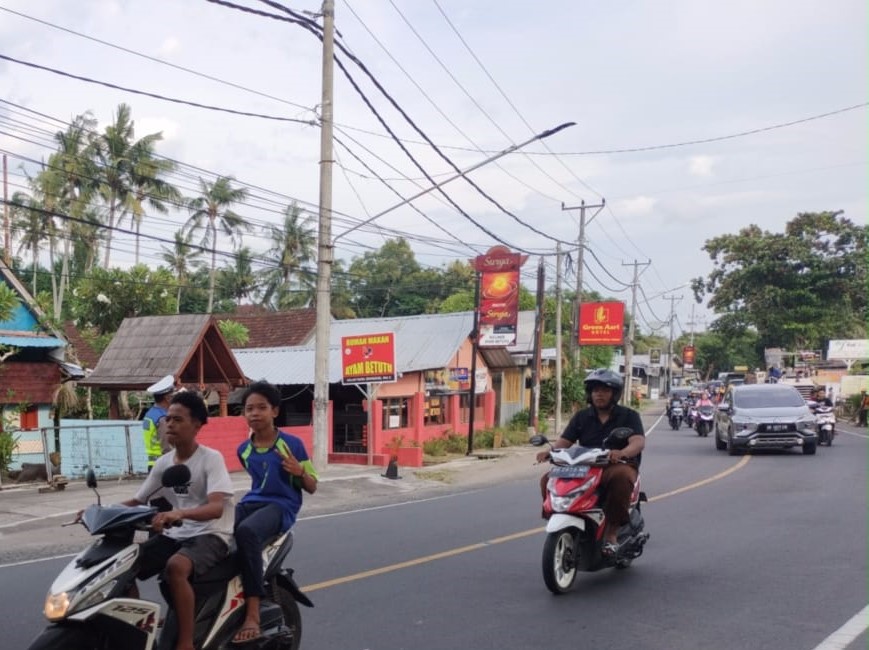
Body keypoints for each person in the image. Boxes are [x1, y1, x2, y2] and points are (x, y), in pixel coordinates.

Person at [122, 391, 234, 650]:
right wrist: (98, 511)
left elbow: (216, 507)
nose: (170, 424)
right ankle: (136, 631)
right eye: (168, 419)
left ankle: (185, 642)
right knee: (124, 567)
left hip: (212, 533)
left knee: (176, 567)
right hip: (179, 534)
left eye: (178, 420)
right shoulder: (164, 463)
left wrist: (179, 513)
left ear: (197, 425)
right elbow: (138, 500)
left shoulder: (211, 459)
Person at [232, 381, 318, 644]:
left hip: (282, 506)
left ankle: (253, 613)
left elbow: (312, 487)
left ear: (274, 412)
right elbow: (257, 482)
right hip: (253, 501)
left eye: (261, 408)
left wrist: (299, 472)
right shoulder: (243, 450)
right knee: (216, 528)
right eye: (249, 409)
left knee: (246, 532)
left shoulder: (291, 444)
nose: (255, 414)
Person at [537, 368, 645, 558]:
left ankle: (611, 532)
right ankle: (559, 517)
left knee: (621, 478)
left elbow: (638, 441)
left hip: (615, 465)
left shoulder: (629, 416)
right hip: (585, 465)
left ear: (615, 394)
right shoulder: (582, 416)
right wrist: (550, 452)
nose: (599, 395)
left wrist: (622, 452)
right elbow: (566, 441)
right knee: (548, 478)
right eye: (595, 390)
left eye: (604, 390)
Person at [143, 375, 175, 472]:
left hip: (153, 464)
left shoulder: (150, 413)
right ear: (168, 397)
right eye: (173, 394)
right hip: (164, 465)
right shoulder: (162, 418)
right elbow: (166, 446)